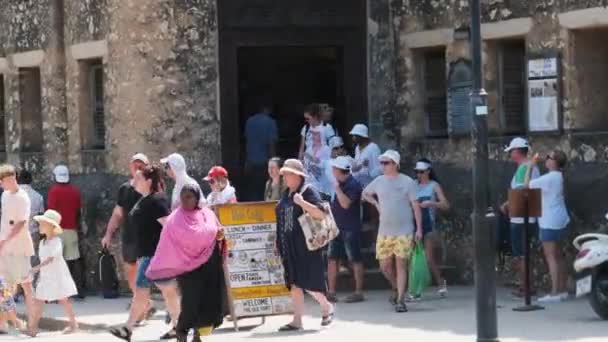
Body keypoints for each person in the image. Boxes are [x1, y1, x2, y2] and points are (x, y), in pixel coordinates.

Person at [145, 185, 226, 342]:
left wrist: (220, 235)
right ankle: (181, 332)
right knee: (190, 301)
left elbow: (217, 233)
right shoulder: (175, 218)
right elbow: (167, 244)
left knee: (206, 300)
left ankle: (197, 335)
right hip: (187, 269)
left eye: (189, 197)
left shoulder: (207, 214)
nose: (185, 200)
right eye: (183, 197)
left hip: (207, 267)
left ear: (197, 198)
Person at [110, 165, 180, 341]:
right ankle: (130, 328)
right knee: (153, 293)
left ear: (149, 182)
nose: (134, 181)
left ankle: (178, 327)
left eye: (139, 178)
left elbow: (169, 227)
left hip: (157, 256)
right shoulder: (144, 200)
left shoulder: (157, 201)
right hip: (147, 255)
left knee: (164, 292)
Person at [275, 159, 334, 331]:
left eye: (288, 173)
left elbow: (321, 214)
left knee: (309, 282)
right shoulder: (286, 195)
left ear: (297, 176)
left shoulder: (308, 191)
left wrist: (302, 203)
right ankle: (297, 320)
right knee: (294, 283)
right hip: (289, 246)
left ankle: (326, 307)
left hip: (307, 246)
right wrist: (277, 242)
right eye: (284, 174)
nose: (285, 177)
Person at [362, 150, 423, 313]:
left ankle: (401, 299)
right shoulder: (378, 181)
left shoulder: (408, 182)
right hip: (385, 231)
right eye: (382, 162)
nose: (383, 165)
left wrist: (419, 229)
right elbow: (365, 193)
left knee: (401, 264)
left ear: (395, 164)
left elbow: (416, 206)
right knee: (384, 266)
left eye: (386, 163)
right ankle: (396, 288)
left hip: (405, 229)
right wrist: (375, 204)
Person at [101, 153, 155, 319]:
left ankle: (140, 309)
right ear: (130, 167)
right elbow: (117, 213)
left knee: (141, 272)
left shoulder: (152, 187)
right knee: (130, 271)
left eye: (141, 164)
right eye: (135, 164)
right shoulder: (124, 188)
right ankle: (143, 303)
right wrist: (108, 234)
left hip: (146, 238)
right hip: (129, 237)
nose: (138, 167)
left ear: (147, 167)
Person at [26, 210, 79, 337]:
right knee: (39, 301)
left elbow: (51, 258)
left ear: (51, 226)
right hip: (46, 277)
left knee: (64, 300)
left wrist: (37, 268)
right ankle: (32, 328)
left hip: (57, 276)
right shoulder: (42, 243)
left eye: (42, 224)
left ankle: (73, 324)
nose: (40, 226)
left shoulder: (57, 242)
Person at [526, 151, 570, 303]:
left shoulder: (550, 178)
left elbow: (526, 185)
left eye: (549, 158)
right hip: (560, 219)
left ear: (554, 162)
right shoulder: (558, 176)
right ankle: (563, 289)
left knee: (551, 257)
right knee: (559, 255)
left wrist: (530, 166)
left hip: (549, 221)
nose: (546, 159)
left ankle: (554, 292)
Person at [501, 137, 540, 297]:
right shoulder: (530, 168)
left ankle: (525, 287)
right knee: (524, 254)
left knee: (520, 255)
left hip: (520, 218)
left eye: (511, 151)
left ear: (517, 151)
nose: (510, 154)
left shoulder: (524, 168)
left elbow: (520, 191)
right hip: (527, 217)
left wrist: (506, 205)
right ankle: (526, 285)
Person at [0, 164, 36, 330]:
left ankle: (32, 323)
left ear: (11, 178)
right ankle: (7, 321)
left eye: (4, 181)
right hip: (6, 249)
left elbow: (21, 223)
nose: (2, 185)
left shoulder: (23, 197)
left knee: (26, 286)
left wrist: (5, 240)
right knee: (5, 287)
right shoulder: (5, 196)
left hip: (20, 248)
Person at [327, 156, 365, 303]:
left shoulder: (354, 185)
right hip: (336, 226)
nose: (332, 171)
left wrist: (337, 189)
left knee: (354, 259)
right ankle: (331, 291)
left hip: (350, 228)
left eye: (334, 169)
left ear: (339, 170)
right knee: (332, 259)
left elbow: (345, 204)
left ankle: (358, 292)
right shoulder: (339, 183)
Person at [47, 165, 86, 299]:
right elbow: (78, 211)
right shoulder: (75, 191)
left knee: (56, 262)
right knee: (74, 260)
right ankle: (79, 290)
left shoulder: (54, 191)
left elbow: (50, 212)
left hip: (57, 230)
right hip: (72, 229)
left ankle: (60, 292)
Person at [414, 158, 450, 298]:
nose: (419, 175)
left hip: (429, 224)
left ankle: (440, 282)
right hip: (414, 222)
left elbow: (446, 205)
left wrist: (432, 203)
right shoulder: (413, 185)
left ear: (428, 171)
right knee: (414, 258)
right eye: (417, 172)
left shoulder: (434, 186)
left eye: (422, 172)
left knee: (429, 258)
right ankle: (415, 287)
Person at [17, 170, 44, 297]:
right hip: (33, 232)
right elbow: (41, 217)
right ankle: (32, 290)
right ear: (31, 180)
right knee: (33, 260)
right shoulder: (38, 196)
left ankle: (16, 292)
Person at [244, 102, 278, 201]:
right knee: (266, 190)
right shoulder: (270, 122)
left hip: (251, 161)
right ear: (268, 109)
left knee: (252, 190)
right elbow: (271, 144)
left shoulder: (249, 121)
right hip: (264, 162)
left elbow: (248, 142)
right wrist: (274, 162)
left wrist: (246, 161)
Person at [303, 126, 332, 196]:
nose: (313, 136)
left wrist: (312, 159)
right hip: (310, 182)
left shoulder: (327, 149)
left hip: (324, 184)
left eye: (316, 134)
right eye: (312, 134)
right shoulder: (308, 149)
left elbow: (327, 166)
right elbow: (306, 165)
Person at [350, 124, 381, 188]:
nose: (353, 138)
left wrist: (368, 172)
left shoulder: (373, 148)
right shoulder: (357, 148)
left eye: (355, 136)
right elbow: (356, 166)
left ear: (362, 136)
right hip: (359, 185)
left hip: (371, 185)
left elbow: (378, 169)